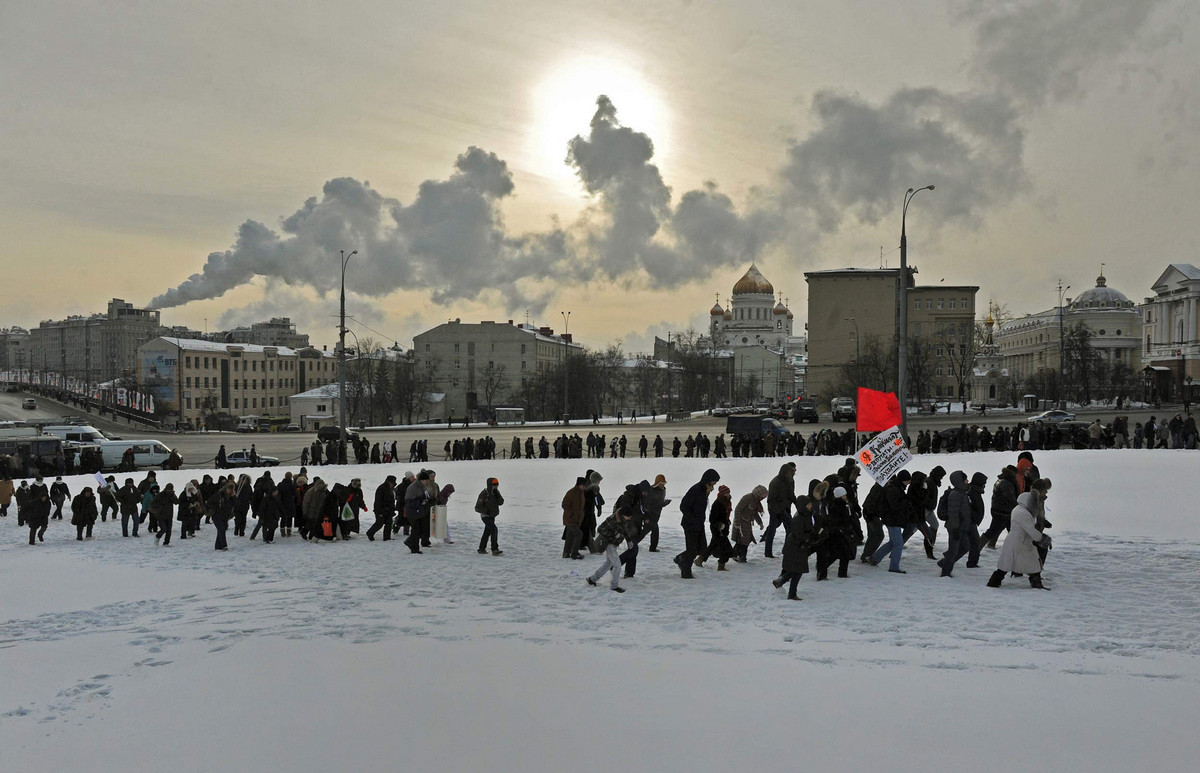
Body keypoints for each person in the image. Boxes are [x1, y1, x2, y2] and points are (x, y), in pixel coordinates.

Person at [987, 491, 1050, 590]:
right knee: (1031, 562)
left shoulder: (1019, 509)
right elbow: (1030, 529)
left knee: (1007, 564)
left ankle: (994, 582)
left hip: (1018, 541)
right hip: (1019, 542)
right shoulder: (1023, 513)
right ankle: (1036, 583)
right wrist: (1041, 538)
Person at [675, 468, 720, 578]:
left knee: (702, 548)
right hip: (690, 524)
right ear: (708, 479)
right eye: (714, 481)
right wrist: (692, 519)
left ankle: (680, 558)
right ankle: (686, 573)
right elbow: (683, 506)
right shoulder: (696, 489)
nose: (715, 483)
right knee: (692, 549)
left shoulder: (706, 490)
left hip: (699, 524)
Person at [773, 493, 815, 600]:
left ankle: (781, 581)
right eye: (809, 504)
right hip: (796, 547)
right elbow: (798, 534)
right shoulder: (798, 518)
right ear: (803, 505)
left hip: (800, 546)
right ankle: (791, 594)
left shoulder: (806, 515)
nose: (811, 505)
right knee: (798, 570)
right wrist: (809, 538)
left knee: (797, 569)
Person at [868, 470, 912, 573]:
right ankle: (894, 567)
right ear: (903, 480)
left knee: (893, 542)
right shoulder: (893, 489)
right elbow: (895, 506)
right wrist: (907, 501)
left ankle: (875, 558)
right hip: (892, 520)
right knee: (898, 544)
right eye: (908, 480)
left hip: (892, 519)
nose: (909, 483)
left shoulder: (897, 487)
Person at [586, 504, 636, 593]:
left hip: (614, 544)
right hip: (609, 544)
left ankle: (592, 579)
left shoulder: (624, 519)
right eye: (628, 516)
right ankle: (614, 586)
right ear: (623, 514)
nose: (629, 518)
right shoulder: (613, 519)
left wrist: (628, 540)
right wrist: (613, 535)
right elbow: (600, 529)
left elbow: (624, 530)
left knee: (608, 563)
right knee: (617, 565)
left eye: (630, 516)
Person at [815, 484, 856, 580]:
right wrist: (843, 528)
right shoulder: (839, 506)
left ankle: (837, 572)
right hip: (839, 533)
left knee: (841, 554)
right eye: (844, 495)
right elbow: (839, 520)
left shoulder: (841, 505)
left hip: (840, 532)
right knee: (839, 554)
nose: (845, 497)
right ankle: (828, 570)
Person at [936, 471, 972, 577]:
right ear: (960, 481)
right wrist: (955, 528)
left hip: (961, 526)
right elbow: (953, 513)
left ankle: (944, 562)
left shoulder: (962, 492)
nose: (967, 481)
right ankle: (946, 572)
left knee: (965, 547)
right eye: (965, 479)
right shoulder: (955, 494)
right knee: (953, 550)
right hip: (955, 527)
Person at [697, 484, 735, 570]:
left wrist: (727, 522)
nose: (728, 494)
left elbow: (725, 515)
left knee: (713, 545)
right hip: (717, 529)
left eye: (729, 492)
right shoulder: (718, 503)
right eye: (727, 493)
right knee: (725, 548)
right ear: (722, 494)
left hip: (723, 528)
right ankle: (721, 566)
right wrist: (719, 525)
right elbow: (712, 519)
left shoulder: (727, 502)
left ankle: (700, 559)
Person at [763, 463, 796, 558]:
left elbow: (791, 495)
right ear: (784, 472)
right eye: (789, 472)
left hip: (785, 508)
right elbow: (771, 500)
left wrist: (798, 504)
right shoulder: (775, 483)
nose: (791, 474)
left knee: (790, 527)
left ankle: (787, 549)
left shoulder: (789, 480)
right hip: (775, 509)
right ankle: (768, 552)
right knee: (772, 530)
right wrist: (778, 512)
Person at [981, 466, 1019, 549]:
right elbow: (1009, 498)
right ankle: (977, 548)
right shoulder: (1005, 483)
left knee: (1007, 530)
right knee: (993, 530)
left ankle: (990, 545)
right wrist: (1018, 506)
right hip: (1002, 512)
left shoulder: (1005, 481)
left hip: (1003, 511)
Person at [732, 485, 767, 562]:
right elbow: (738, 509)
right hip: (741, 522)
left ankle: (736, 555)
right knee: (743, 540)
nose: (763, 499)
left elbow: (754, 513)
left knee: (744, 540)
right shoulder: (747, 498)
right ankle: (740, 557)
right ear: (758, 494)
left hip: (747, 522)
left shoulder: (756, 501)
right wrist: (737, 522)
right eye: (762, 497)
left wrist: (760, 523)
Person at [474, 477, 504, 555]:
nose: (496, 486)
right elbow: (477, 507)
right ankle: (494, 549)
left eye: (497, 484)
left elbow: (501, 502)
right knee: (494, 530)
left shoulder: (496, 492)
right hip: (485, 516)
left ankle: (481, 549)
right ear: (490, 485)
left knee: (487, 532)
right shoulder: (484, 493)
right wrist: (486, 511)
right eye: (494, 484)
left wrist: (498, 496)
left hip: (492, 516)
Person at [562, 476, 587, 559]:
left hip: (577, 519)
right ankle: (574, 553)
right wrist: (571, 514)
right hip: (571, 519)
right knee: (579, 534)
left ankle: (566, 553)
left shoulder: (581, 493)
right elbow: (564, 504)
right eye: (584, 485)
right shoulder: (571, 493)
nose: (585, 487)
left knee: (570, 536)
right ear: (580, 485)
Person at [642, 474, 669, 552]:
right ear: (657, 483)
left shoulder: (663, 490)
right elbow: (648, 504)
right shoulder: (652, 490)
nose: (663, 485)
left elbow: (658, 502)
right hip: (650, 515)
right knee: (653, 531)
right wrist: (646, 516)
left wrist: (664, 503)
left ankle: (634, 542)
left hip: (656, 514)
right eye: (661, 483)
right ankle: (652, 548)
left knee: (647, 531)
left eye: (664, 483)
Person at [208, 479, 236, 551]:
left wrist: (234, 496)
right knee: (221, 529)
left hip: (225, 516)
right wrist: (216, 509)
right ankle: (224, 546)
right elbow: (209, 503)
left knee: (222, 529)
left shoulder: (231, 497)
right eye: (229, 488)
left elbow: (237, 505)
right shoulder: (218, 495)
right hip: (217, 515)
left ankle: (218, 546)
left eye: (231, 489)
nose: (230, 490)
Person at [367, 475, 397, 541]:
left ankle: (387, 537)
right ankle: (370, 533)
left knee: (389, 523)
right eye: (391, 482)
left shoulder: (391, 489)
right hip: (381, 509)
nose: (392, 484)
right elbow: (378, 501)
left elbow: (392, 500)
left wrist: (392, 509)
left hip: (389, 510)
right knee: (379, 523)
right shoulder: (381, 488)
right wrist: (379, 511)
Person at [27, 476, 51, 545]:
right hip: (35, 509)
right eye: (39, 480)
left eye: (41, 480)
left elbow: (47, 492)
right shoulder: (32, 486)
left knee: (44, 526)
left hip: (43, 513)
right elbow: (30, 495)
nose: (40, 481)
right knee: (33, 528)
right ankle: (31, 541)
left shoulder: (44, 485)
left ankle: (40, 534)